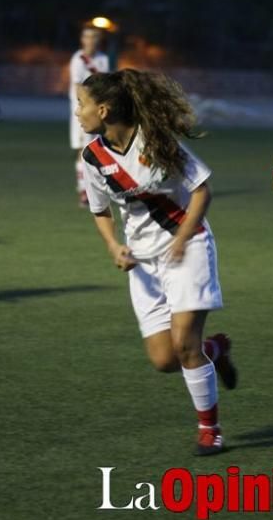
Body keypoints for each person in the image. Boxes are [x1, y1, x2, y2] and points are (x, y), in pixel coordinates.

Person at [75, 69, 237, 455]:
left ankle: (210, 431)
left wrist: (181, 239)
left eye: (81, 105)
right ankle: (215, 351)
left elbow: (202, 192)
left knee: (184, 344)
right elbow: (100, 212)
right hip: (143, 263)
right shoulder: (93, 158)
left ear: (104, 108)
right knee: (166, 359)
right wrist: (114, 246)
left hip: (188, 246)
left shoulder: (157, 141)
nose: (77, 113)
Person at [70, 26, 110, 206]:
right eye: (87, 37)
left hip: (100, 112)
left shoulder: (103, 59)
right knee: (84, 150)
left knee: (101, 149)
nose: (90, 41)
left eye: (94, 38)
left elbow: (104, 83)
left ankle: (99, 188)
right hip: (83, 112)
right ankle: (83, 191)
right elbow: (77, 86)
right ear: (82, 40)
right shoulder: (78, 59)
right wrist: (84, 107)